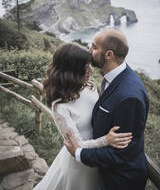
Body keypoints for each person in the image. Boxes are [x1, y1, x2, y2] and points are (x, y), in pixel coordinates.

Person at [33, 42, 132, 190]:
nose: (90, 72)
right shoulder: (60, 106)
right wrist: (107, 140)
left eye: (89, 66)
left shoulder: (90, 87)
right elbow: (76, 145)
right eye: (85, 68)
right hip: (79, 165)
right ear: (70, 71)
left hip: (99, 159)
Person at [65, 29, 149, 190]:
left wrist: (79, 153)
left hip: (120, 180)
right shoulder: (113, 77)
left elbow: (122, 154)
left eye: (94, 47)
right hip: (107, 173)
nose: (89, 50)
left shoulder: (129, 97)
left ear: (108, 54)